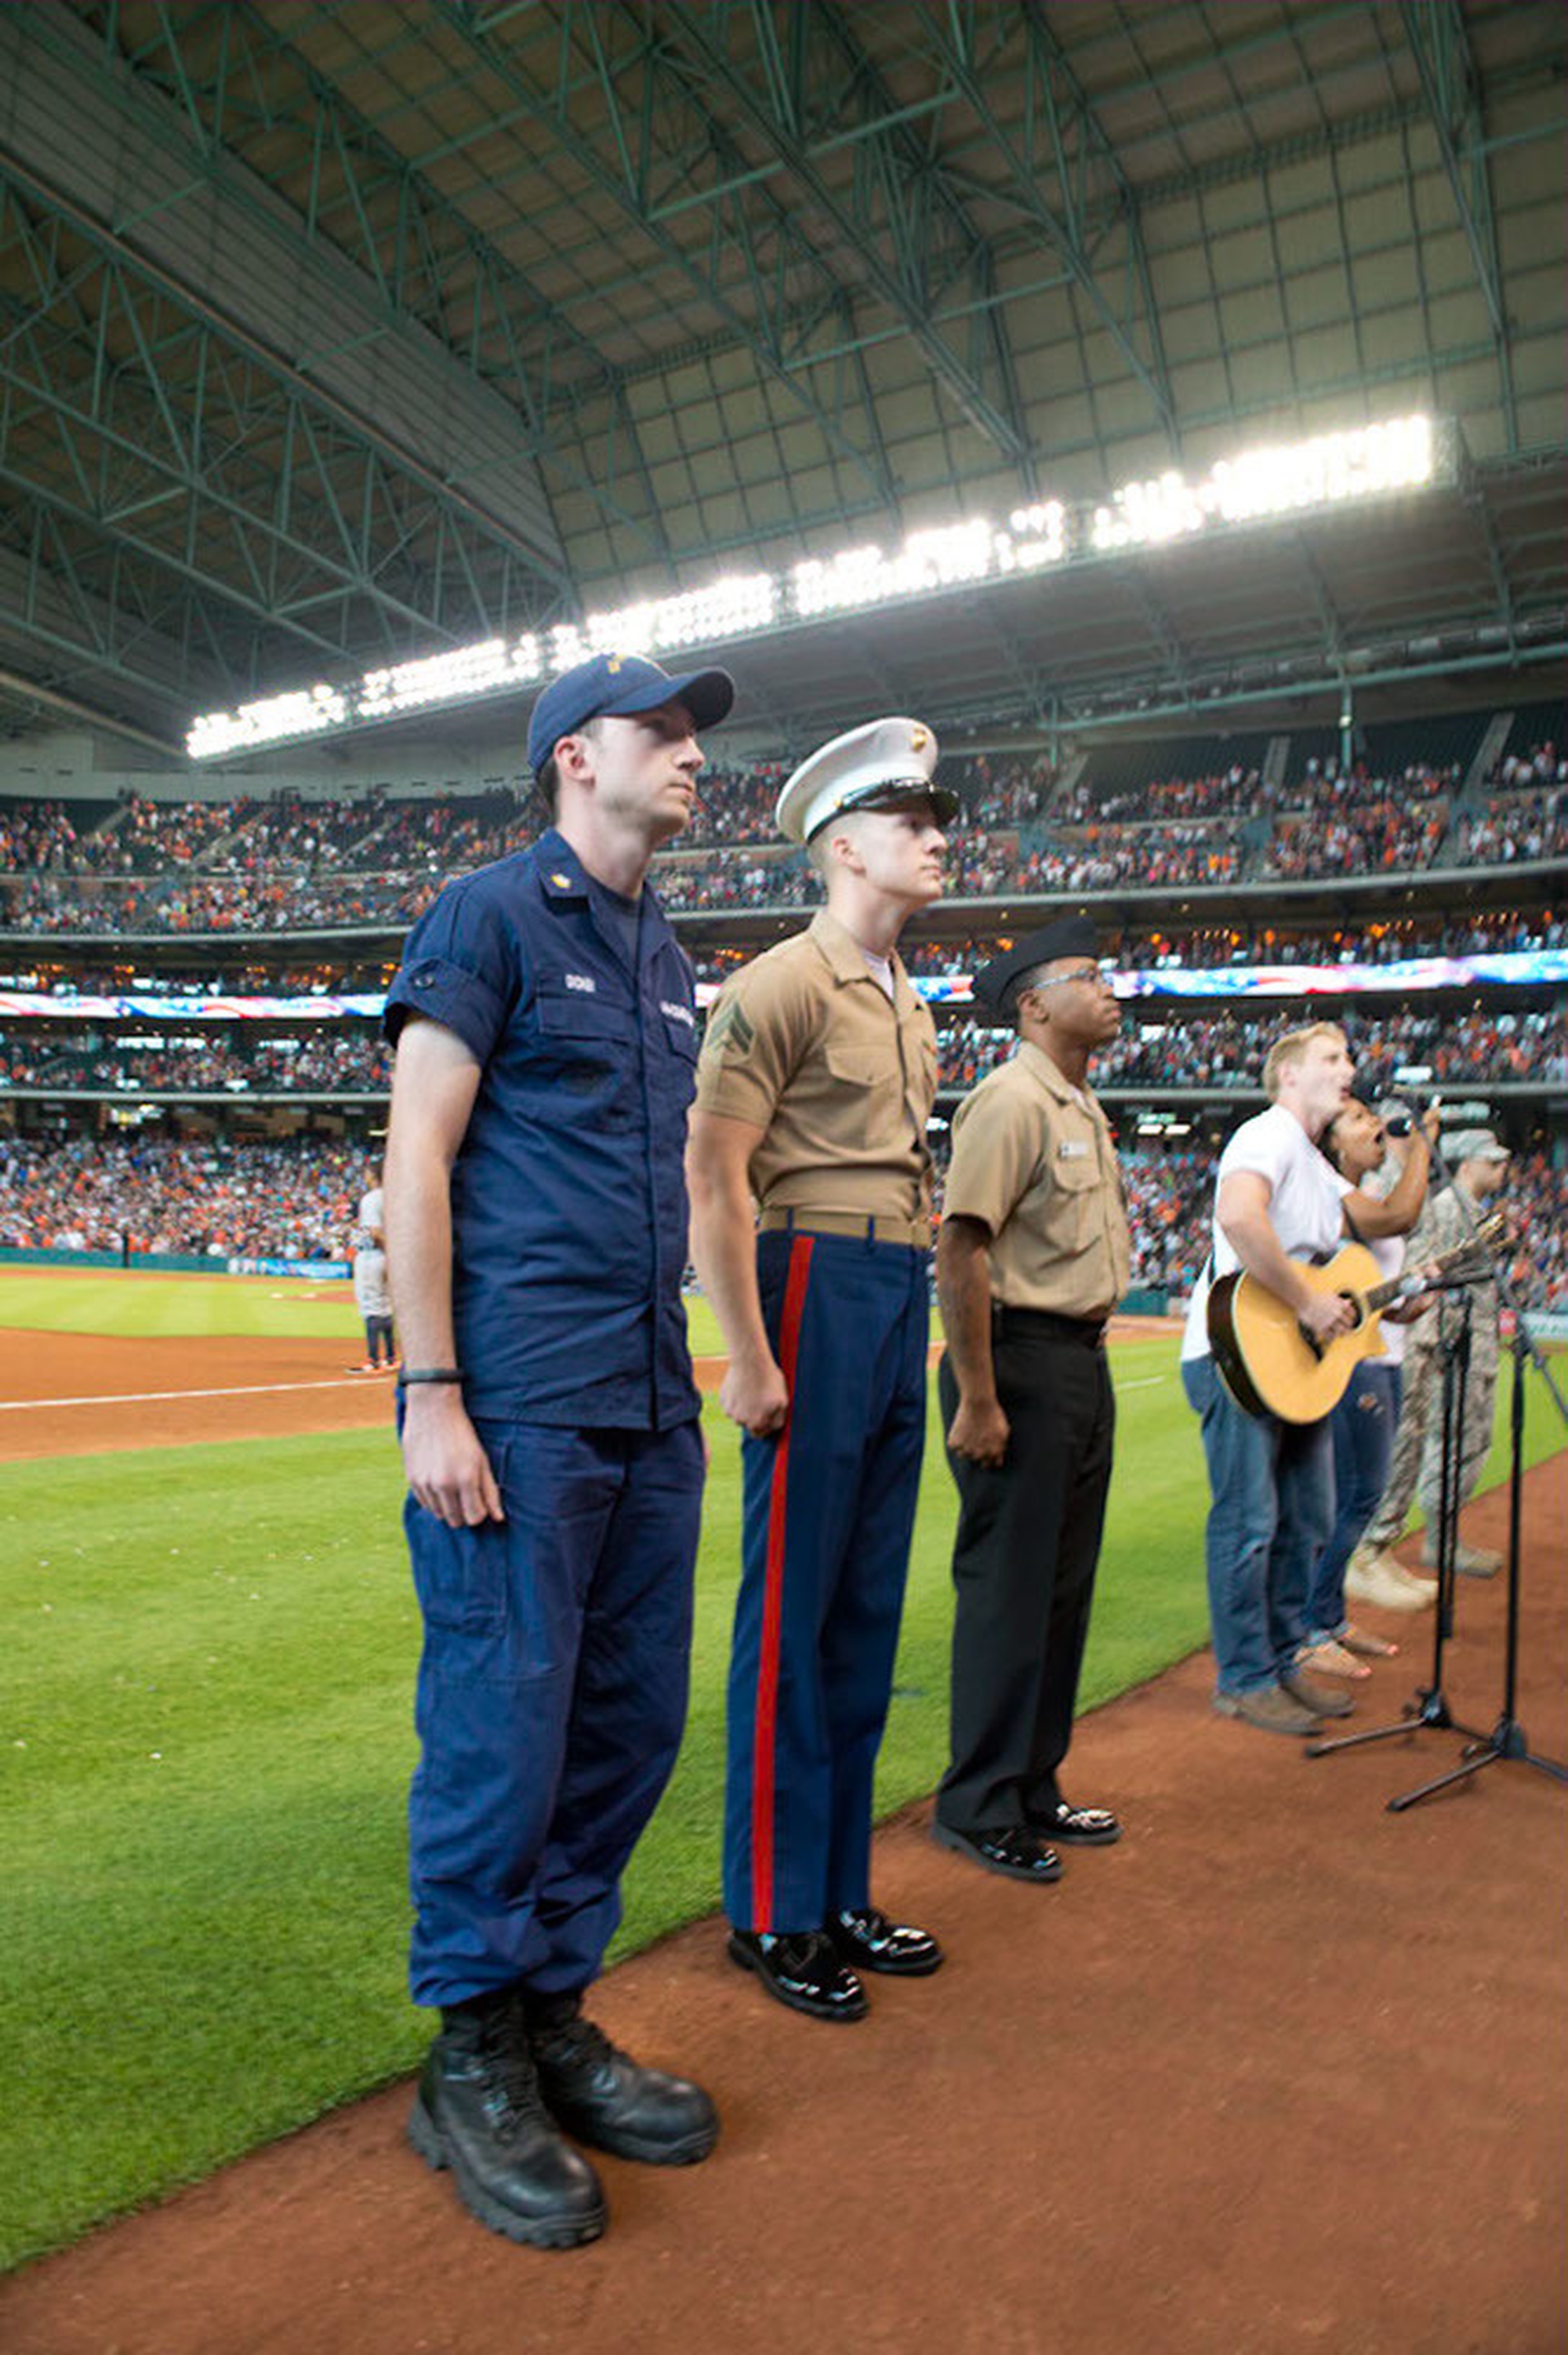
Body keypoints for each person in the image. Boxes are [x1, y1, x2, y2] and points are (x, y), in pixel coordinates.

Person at [380, 651, 733, 2250]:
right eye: (663, 734)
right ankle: (467, 2059)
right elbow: (420, 1151)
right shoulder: (486, 914)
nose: (691, 758)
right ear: (574, 756)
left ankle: (550, 2016)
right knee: (497, 1732)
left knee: (627, 1725)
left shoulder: (667, 952)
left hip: (647, 1401)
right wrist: (431, 1388)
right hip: (515, 1401)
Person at [686, 717, 956, 2023]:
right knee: (792, 1616)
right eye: (913, 820)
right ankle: (773, 1907)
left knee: (861, 1613)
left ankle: (839, 1884)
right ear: (844, 843)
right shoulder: (782, 981)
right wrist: (746, 1349)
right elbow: (713, 1171)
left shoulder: (911, 999)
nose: (938, 836)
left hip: (894, 1285)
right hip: (808, 1280)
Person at [931, 915, 1130, 1884]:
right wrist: (977, 1396)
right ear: (1034, 1003)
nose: (1109, 989)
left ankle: (1032, 1782)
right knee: (1008, 1593)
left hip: (1077, 1364)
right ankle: (975, 1803)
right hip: (1015, 1361)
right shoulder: (1010, 1101)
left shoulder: (1078, 1103)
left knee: (1061, 1591)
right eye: (1088, 976)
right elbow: (960, 1247)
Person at [1178, 1023, 1435, 1737]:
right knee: (1250, 1522)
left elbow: (1394, 1216)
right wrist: (1305, 1299)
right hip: (1237, 1356)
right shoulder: (1267, 1134)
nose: (1348, 1067)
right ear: (1289, 1075)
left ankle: (1285, 1656)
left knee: (1309, 1518)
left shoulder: (1318, 1168)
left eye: (1348, 1056)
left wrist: (1419, 1148)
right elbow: (1237, 1215)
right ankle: (1244, 1677)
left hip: (1292, 1365)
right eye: (1332, 1057)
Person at [1301, 1099, 1437, 1673]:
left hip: (1380, 1354)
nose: (1374, 1125)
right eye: (1357, 1119)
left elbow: (1361, 1295)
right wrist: (1421, 1145)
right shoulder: (1326, 1190)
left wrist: (1405, 1303)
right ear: (1334, 1142)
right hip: (1351, 1365)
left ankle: (1328, 1618)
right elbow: (1402, 1216)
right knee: (1357, 1493)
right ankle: (1311, 1626)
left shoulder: (1361, 1197)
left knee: (1356, 1493)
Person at [1351, 1128, 1511, 1589]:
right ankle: (1377, 1549)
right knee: (1421, 1444)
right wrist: (1434, 1344)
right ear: (1466, 1163)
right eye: (1492, 1161)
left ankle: (1427, 1542)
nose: (1501, 1169)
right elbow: (1423, 1275)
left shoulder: (1474, 1211)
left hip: (1467, 1341)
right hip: (1434, 1343)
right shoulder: (1442, 1208)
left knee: (1467, 1444)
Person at [352, 1165, 397, 1370]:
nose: (365, 1175)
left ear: (373, 1175)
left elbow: (375, 1233)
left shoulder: (371, 1198)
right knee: (385, 1304)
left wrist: (389, 1251)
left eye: (368, 1173)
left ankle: (372, 1360)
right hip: (387, 1256)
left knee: (370, 1306)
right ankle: (390, 1357)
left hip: (372, 1255)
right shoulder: (394, 1196)